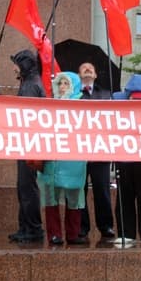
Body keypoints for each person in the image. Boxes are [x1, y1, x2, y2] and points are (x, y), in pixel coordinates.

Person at [40, 72, 88, 245]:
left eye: (66, 84)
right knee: (51, 198)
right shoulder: (50, 106)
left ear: (74, 86)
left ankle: (73, 234)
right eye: (59, 84)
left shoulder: (82, 109)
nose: (62, 87)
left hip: (73, 162)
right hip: (52, 161)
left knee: (74, 198)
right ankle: (54, 234)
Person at [112, 74, 141, 247]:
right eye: (134, 99)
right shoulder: (116, 107)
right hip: (123, 156)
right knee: (124, 195)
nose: (138, 102)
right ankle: (126, 233)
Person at [8, 49, 46, 243]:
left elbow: (27, 116)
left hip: (29, 144)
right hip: (27, 142)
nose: (14, 67)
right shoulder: (29, 83)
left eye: (16, 63)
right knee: (24, 187)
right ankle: (25, 227)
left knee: (27, 188)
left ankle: (32, 228)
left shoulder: (31, 86)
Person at [77, 61, 116, 241]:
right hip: (78, 151)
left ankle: (106, 226)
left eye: (91, 68)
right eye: (84, 68)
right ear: (79, 75)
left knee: (102, 190)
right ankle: (81, 228)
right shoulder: (73, 94)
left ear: (95, 75)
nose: (87, 70)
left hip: (100, 150)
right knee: (80, 191)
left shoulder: (106, 95)